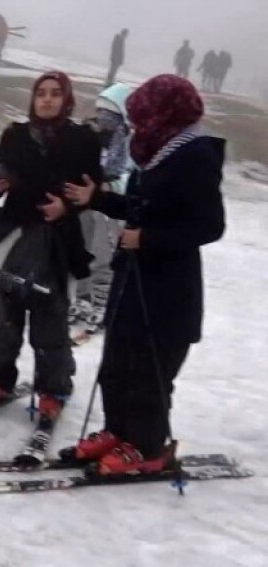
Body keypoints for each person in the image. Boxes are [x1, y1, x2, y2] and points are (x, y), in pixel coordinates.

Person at [60, 74, 223, 476]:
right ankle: (118, 430)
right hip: (132, 275)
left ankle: (148, 447)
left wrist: (148, 238)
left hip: (168, 288)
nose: (135, 124)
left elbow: (209, 226)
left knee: (150, 367)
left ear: (166, 112)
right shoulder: (157, 150)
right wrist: (96, 199)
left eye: (142, 115)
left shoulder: (195, 155)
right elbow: (139, 206)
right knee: (117, 359)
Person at [0, 71, 102, 421]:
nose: (46, 99)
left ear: (66, 99)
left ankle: (54, 388)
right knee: (1, 315)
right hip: (13, 234)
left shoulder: (83, 140)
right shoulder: (14, 135)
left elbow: (92, 191)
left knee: (49, 320)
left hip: (57, 240)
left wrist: (67, 207)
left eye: (55, 93)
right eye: (41, 93)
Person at [71, 82, 133, 327]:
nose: (103, 118)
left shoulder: (130, 142)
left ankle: (103, 302)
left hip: (110, 205)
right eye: (100, 111)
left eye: (110, 114)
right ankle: (82, 297)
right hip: (85, 200)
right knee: (80, 250)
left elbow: (133, 173)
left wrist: (113, 185)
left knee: (103, 254)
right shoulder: (90, 135)